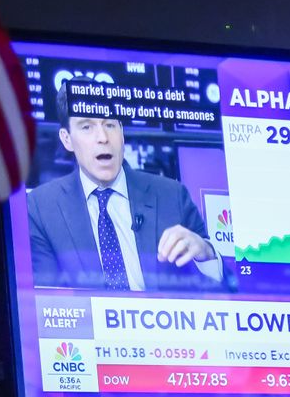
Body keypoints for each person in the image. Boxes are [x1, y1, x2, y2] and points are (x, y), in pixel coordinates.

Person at [27, 77, 222, 292]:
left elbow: (226, 294)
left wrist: (206, 254)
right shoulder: (41, 208)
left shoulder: (173, 196)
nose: (103, 137)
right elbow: (46, 300)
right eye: (87, 127)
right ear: (67, 139)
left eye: (110, 124)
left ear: (121, 132)